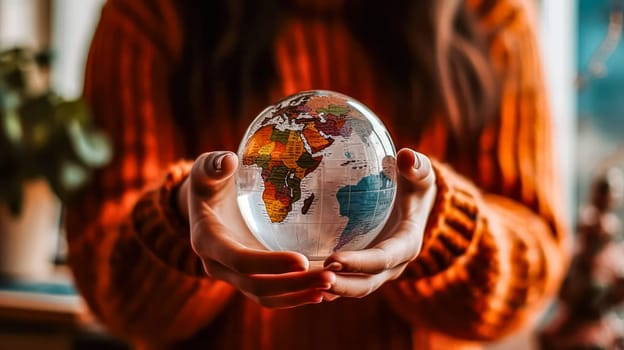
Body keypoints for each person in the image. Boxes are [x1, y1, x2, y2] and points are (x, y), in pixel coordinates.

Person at [65, 0, 570, 349]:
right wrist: (180, 221)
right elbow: (113, 291)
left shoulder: (485, 15)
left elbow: (531, 275)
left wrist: (435, 221)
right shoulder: (150, 13)